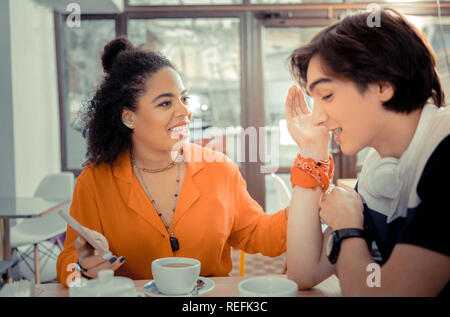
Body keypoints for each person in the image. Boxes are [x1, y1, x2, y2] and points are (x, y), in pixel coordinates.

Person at [56, 37, 289, 287]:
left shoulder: (221, 170)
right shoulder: (95, 180)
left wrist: (307, 205)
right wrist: (81, 267)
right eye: (165, 103)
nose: (184, 112)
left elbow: (257, 234)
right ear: (129, 117)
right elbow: (68, 259)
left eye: (184, 99)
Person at [285, 8, 450, 296]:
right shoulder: (380, 165)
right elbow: (304, 271)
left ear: (383, 86)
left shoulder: (446, 155)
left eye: (327, 96)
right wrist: (312, 152)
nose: (316, 118)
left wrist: (349, 229)